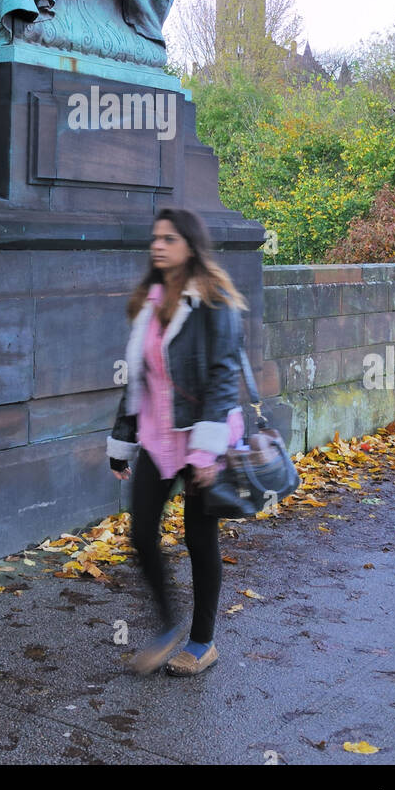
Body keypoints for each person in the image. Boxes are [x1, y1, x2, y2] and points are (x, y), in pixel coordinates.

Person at [107, 207, 248, 675]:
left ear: (189, 243)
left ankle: (202, 641)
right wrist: (122, 439)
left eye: (168, 238)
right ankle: (168, 627)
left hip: (199, 437)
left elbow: (224, 377)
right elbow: (137, 380)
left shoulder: (214, 300)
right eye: (155, 238)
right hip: (157, 438)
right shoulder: (149, 301)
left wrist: (207, 451)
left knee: (198, 538)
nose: (157, 245)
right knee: (141, 533)